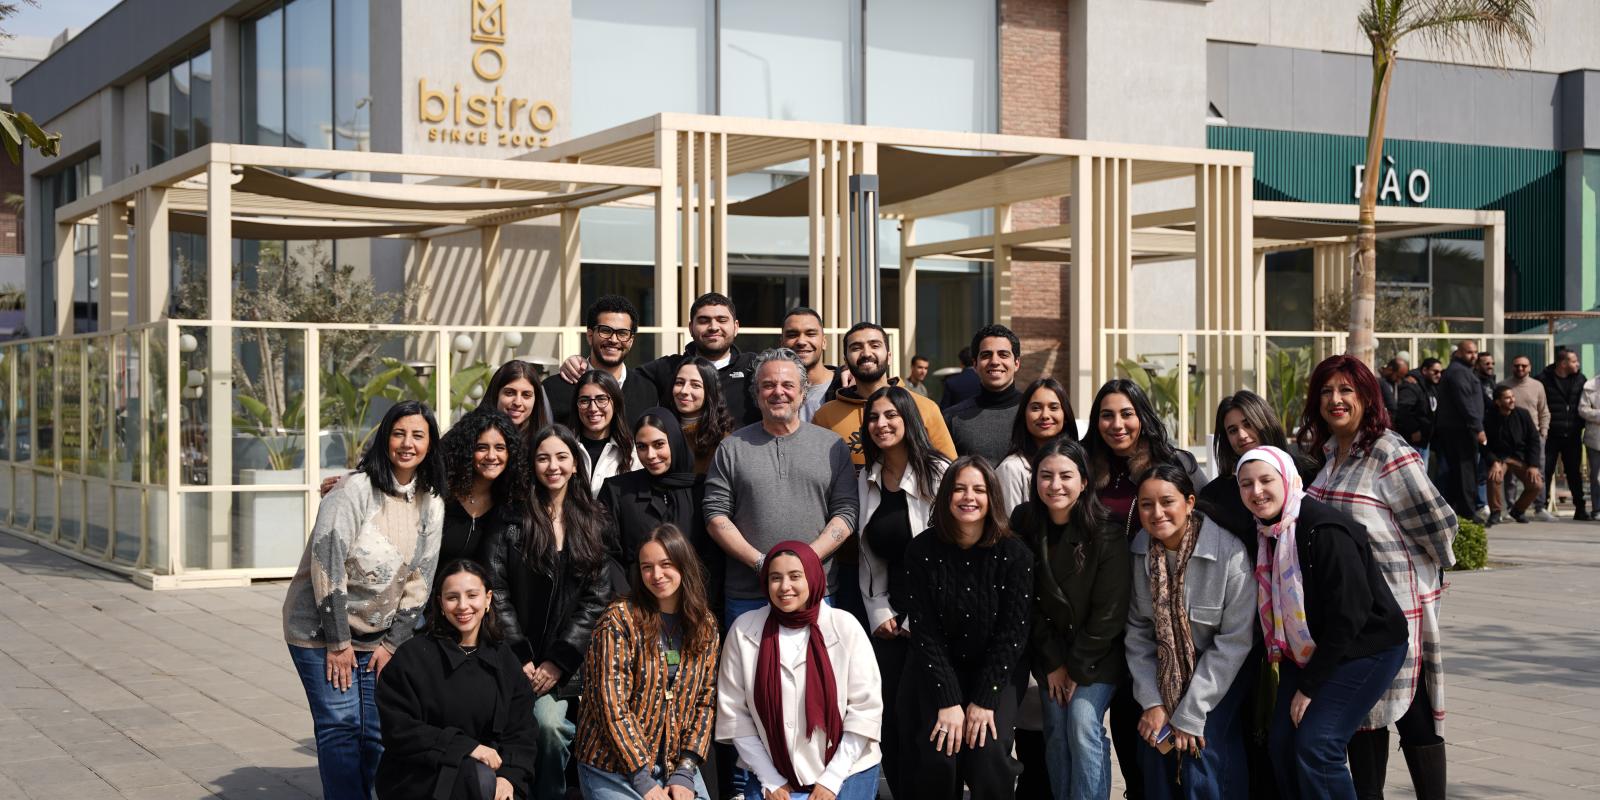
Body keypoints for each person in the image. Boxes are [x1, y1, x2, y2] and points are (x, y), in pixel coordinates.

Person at [1298, 355, 1456, 800]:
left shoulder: (1388, 451)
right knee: (1364, 715)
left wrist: (1423, 578)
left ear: (1367, 396)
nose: (1336, 400)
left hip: (1396, 609)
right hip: (1347, 615)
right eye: (1327, 391)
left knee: (1411, 711)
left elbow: (1440, 527)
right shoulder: (1327, 454)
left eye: (1347, 390)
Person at [282, 400, 447, 800]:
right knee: (340, 727)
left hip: (380, 637)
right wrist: (338, 643)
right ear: (384, 437)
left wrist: (393, 643)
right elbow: (327, 566)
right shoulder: (353, 490)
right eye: (398, 433)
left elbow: (420, 580)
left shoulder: (431, 501)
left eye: (418, 435)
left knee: (376, 730)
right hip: (320, 631)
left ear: (429, 445)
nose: (407, 443)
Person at [1234, 447, 1407, 800]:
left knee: (1318, 743)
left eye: (1266, 480)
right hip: (1311, 648)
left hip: (1366, 647)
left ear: (1288, 480)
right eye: (1246, 484)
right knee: (1281, 740)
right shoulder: (1267, 533)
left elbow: (1350, 616)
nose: (1256, 492)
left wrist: (1309, 687)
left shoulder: (1323, 528)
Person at [1081, 379, 1205, 799]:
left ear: (1143, 417)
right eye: (1106, 414)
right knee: (1129, 733)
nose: (1117, 424)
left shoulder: (1177, 464)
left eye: (1127, 413)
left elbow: (1209, 528)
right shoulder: (1084, 469)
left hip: (1164, 626)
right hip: (1105, 627)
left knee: (1169, 743)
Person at [487, 425, 617, 798]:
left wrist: (558, 661)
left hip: (567, 665)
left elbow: (597, 596)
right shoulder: (511, 519)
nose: (552, 466)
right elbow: (496, 589)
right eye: (543, 457)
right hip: (518, 658)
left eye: (561, 457)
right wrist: (521, 655)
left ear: (575, 464)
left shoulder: (593, 519)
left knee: (548, 726)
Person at [897, 456, 1034, 799]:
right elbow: (924, 632)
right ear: (945, 497)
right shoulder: (921, 551)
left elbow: (1013, 634)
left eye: (978, 489)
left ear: (992, 498)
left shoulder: (1015, 554)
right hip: (937, 667)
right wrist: (948, 700)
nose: (968, 497)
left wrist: (984, 700)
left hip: (997, 670)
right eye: (958, 489)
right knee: (940, 751)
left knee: (987, 753)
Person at [1124, 463, 1253, 799]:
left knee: (1200, 751)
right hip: (1163, 674)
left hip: (1220, 674)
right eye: (1146, 505)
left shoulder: (1229, 552)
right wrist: (1152, 702)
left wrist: (1191, 711)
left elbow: (1234, 641)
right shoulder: (1141, 549)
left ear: (1190, 502)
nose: (1157, 513)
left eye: (1167, 501)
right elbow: (1139, 632)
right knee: (1155, 744)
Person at [717, 541, 885, 800]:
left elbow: (865, 710)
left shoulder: (845, 627)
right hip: (772, 770)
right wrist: (770, 779)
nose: (785, 587)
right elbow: (735, 715)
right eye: (775, 578)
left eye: (795, 576)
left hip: (848, 768)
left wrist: (832, 780)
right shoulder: (744, 631)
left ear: (814, 577)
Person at [703, 348, 858, 624]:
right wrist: (762, 564)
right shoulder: (731, 448)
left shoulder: (832, 446)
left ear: (803, 392)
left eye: (788, 385)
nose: (778, 392)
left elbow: (846, 513)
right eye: (768, 385)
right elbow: (715, 516)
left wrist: (805, 561)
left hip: (816, 591)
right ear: (756, 393)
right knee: (750, 669)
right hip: (747, 596)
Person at [1012, 437, 1129, 800]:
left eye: (1066, 475)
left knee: (1080, 721)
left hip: (1099, 652)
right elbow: (1025, 600)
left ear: (1084, 481)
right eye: (1045, 476)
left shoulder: (1107, 529)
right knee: (1057, 727)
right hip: (1050, 653)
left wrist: (1075, 667)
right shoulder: (1026, 523)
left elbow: (1109, 612)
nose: (1055, 485)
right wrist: (1053, 663)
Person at [577, 525, 722, 800]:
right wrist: (642, 777)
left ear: (684, 564)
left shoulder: (705, 625)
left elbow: (706, 701)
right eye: (647, 567)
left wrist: (686, 769)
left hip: (673, 762)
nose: (656, 575)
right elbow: (610, 704)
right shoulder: (619, 620)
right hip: (612, 764)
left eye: (666, 564)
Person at [854, 385, 949, 798]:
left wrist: (919, 618)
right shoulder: (866, 479)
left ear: (909, 418)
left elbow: (950, 554)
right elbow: (866, 554)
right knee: (890, 718)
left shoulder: (941, 473)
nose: (881, 424)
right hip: (888, 618)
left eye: (891, 415)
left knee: (928, 721)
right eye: (873, 418)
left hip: (936, 615)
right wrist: (878, 610)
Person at [375, 559, 537, 800]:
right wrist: (465, 748)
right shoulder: (413, 657)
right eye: (452, 597)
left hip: (491, 775)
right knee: (477, 779)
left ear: (488, 599)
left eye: (472, 595)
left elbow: (521, 731)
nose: (463, 606)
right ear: (440, 603)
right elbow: (399, 729)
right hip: (420, 776)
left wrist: (509, 777)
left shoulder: (505, 660)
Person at [598, 409, 722, 611]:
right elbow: (607, 554)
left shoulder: (702, 490)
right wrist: (627, 604)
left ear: (674, 441)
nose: (650, 455)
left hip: (692, 607)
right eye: (642, 447)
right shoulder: (617, 491)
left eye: (658, 445)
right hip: (636, 606)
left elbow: (713, 558)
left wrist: (700, 606)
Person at [812, 321, 956, 466]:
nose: (866, 353)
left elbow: (949, 471)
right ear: (846, 362)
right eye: (856, 347)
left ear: (889, 356)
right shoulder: (825, 416)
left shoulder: (925, 408)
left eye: (875, 345)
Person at [433, 409, 529, 602]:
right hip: (434, 609)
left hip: (487, 614)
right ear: (468, 451)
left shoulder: (512, 504)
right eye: (482, 447)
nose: (492, 456)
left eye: (500, 448)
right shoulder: (441, 498)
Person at [546, 295, 659, 429]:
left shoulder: (648, 392)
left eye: (622, 333)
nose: (614, 339)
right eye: (605, 331)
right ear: (589, 336)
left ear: (631, 340)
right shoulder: (553, 389)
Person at [944, 324, 1027, 463]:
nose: (995, 361)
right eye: (986, 355)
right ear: (975, 364)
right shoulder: (952, 419)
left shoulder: (1034, 414)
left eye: (1003, 355)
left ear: (1016, 363)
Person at [996, 377, 1078, 513]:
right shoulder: (1011, 468)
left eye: (1053, 407)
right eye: (1036, 408)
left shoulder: (1080, 460)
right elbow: (1010, 528)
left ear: (1066, 415)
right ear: (1024, 415)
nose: (1045, 415)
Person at [1431, 340, 1486, 522]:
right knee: (1464, 472)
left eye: (1475, 352)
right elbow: (1465, 403)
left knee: (1463, 471)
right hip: (1460, 430)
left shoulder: (1463, 371)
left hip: (1462, 429)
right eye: (1469, 352)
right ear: (1459, 353)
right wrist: (1477, 427)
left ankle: (1461, 509)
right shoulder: (1458, 372)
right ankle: (1467, 511)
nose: (1474, 356)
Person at [1540, 347, 1592, 520]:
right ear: (1563, 363)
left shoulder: (1580, 379)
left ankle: (1580, 508)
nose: (1578, 364)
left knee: (1574, 472)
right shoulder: (1544, 379)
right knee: (1546, 470)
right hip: (1551, 434)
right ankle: (1541, 506)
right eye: (1574, 361)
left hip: (1572, 434)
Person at [1484, 385, 1544, 525]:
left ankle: (1518, 510)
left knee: (1536, 484)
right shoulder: (1489, 417)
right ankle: (1495, 512)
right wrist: (1494, 461)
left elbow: (1534, 440)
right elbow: (1484, 444)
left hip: (1520, 457)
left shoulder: (1523, 414)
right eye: (1507, 397)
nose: (1512, 400)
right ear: (1498, 402)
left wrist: (1533, 465)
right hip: (1500, 458)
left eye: (1513, 397)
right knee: (1494, 477)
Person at [1504, 355, 1554, 521]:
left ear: (1530, 368)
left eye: (1524, 366)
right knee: (1510, 476)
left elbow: (1544, 411)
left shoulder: (1537, 386)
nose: (1520, 369)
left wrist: (1543, 433)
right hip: (1510, 439)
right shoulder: (1504, 386)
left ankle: (1540, 507)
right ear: (1512, 367)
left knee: (1538, 472)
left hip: (1534, 438)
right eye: (1517, 365)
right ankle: (1511, 507)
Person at [572, 370, 637, 491]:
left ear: (615, 403)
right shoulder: (565, 449)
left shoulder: (633, 452)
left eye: (601, 399)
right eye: (584, 401)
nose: (593, 408)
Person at [671, 356, 736, 476]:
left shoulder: (725, 442)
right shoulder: (661, 429)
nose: (684, 391)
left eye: (695, 385)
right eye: (679, 382)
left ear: (710, 391)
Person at [781, 306, 839, 422]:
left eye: (810, 334)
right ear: (781, 343)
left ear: (824, 342)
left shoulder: (845, 387)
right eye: (792, 335)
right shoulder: (770, 391)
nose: (801, 341)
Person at [1387, 359, 1433, 462]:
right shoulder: (1382, 383)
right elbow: (1403, 409)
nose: (1400, 380)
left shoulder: (1404, 382)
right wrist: (1413, 428)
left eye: (1403, 377)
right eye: (1399, 376)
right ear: (1390, 370)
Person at [1581, 367, 1600, 520]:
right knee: (1596, 476)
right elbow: (1583, 410)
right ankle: (1597, 509)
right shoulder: (1591, 386)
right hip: (1596, 439)